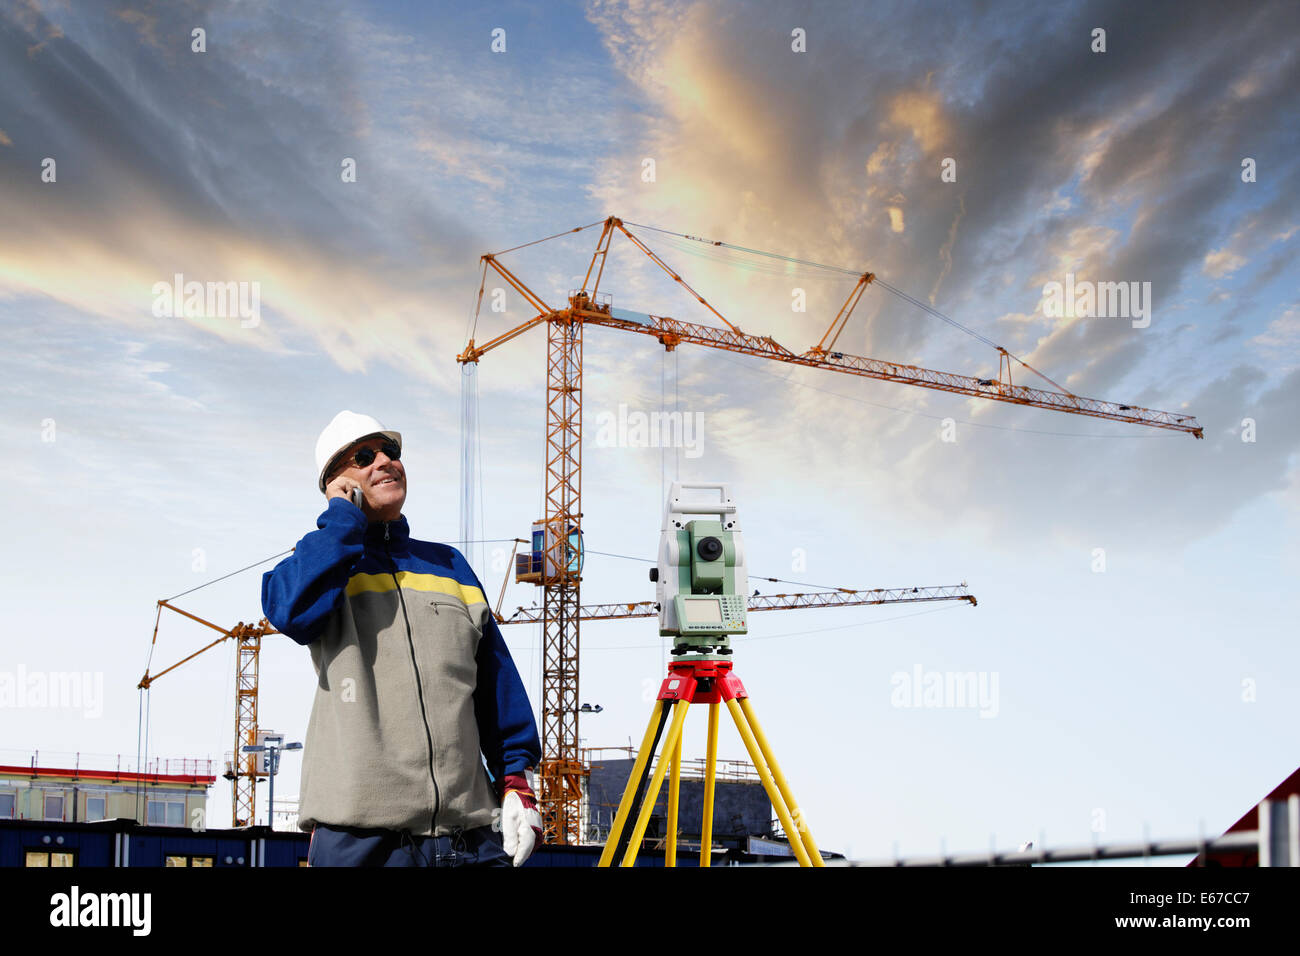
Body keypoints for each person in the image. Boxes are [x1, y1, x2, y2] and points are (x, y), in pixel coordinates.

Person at [261, 410, 543, 867]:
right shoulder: (323, 564)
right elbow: (288, 610)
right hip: (362, 845)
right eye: (364, 456)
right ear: (337, 484)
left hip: (468, 840)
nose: (385, 462)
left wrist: (517, 782)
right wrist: (340, 524)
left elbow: (495, 683)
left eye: (390, 452)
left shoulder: (449, 566)